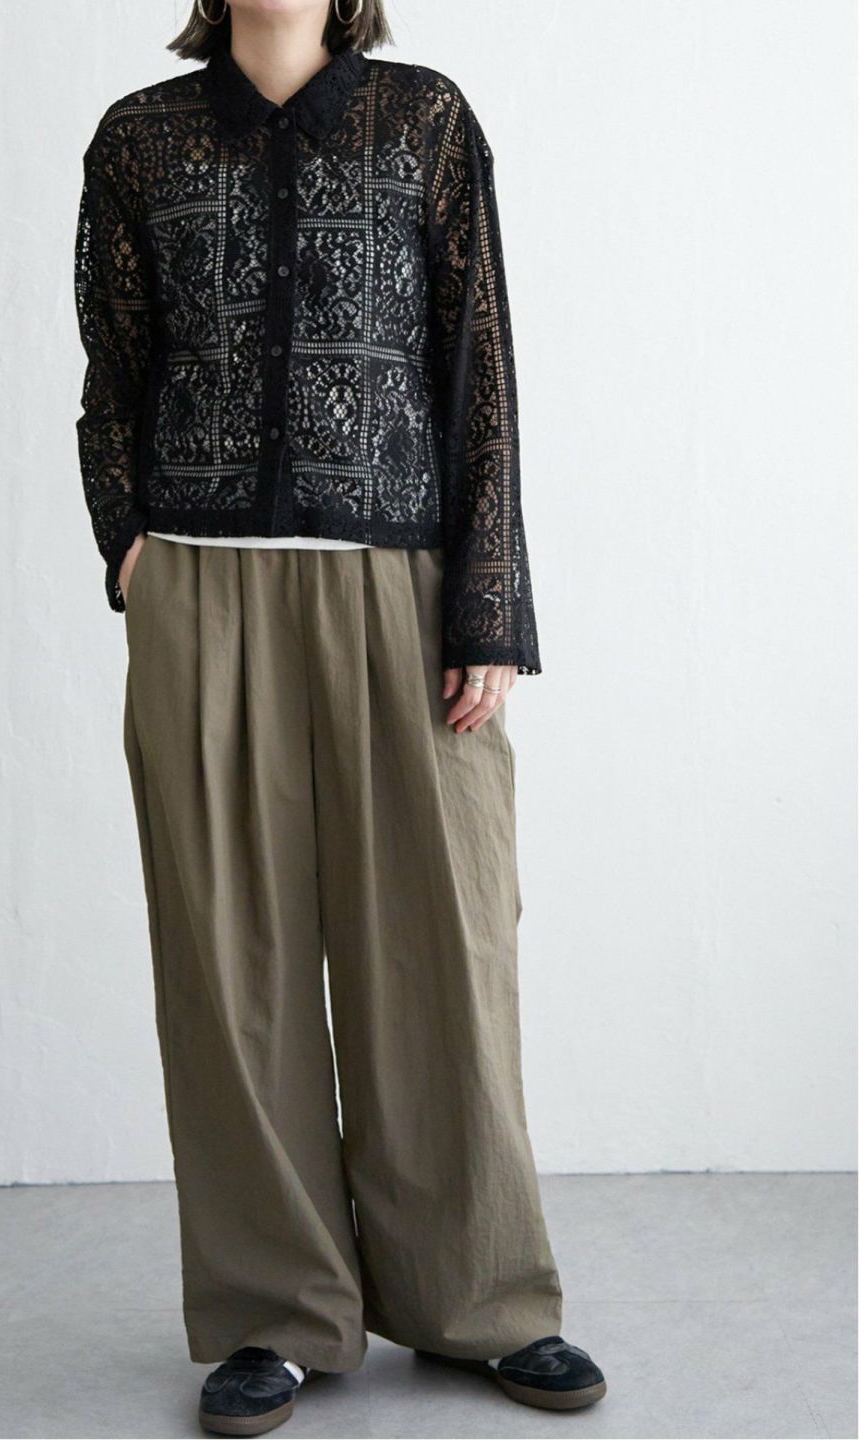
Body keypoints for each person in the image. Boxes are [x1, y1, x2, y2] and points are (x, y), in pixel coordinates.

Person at [73, 0, 607, 1432]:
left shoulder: (423, 119)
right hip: (204, 590)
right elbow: (112, 369)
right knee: (229, 963)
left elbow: (478, 364)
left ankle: (479, 1298)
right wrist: (130, 548)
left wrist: (488, 605)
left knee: (442, 945)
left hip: (399, 592)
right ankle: (274, 1312)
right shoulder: (141, 138)